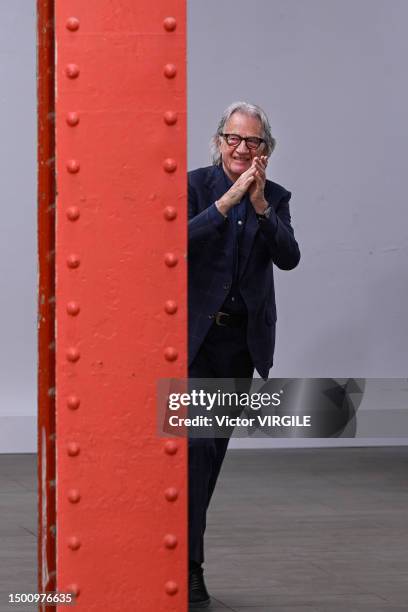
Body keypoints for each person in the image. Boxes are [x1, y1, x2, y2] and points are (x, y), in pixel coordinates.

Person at [187, 101, 300, 608]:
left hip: (241, 347)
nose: (241, 148)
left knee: (211, 459)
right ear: (218, 142)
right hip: (195, 344)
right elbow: (173, 241)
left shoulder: (274, 197)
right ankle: (189, 566)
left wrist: (257, 204)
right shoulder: (193, 186)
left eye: (252, 141)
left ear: (266, 152)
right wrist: (227, 201)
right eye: (233, 138)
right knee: (195, 450)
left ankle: (185, 554)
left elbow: (289, 257)